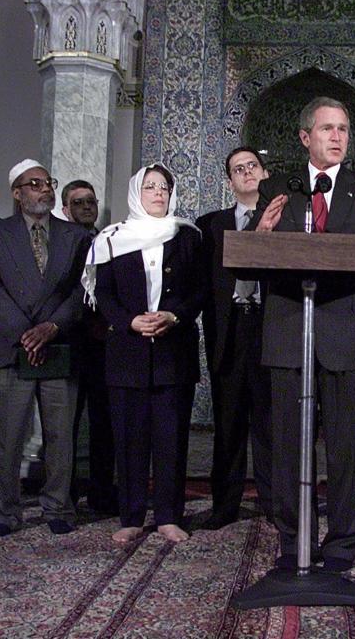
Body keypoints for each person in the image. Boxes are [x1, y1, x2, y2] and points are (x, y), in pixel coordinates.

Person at [250, 96, 355, 572]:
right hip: (287, 330)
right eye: (327, 129)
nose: (338, 137)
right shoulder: (280, 186)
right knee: (287, 445)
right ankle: (293, 542)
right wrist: (260, 233)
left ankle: (342, 544)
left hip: (345, 331)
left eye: (343, 129)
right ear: (305, 137)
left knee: (344, 445)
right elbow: (255, 257)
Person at [85, 165, 206, 544]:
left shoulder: (188, 237)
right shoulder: (111, 239)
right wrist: (129, 322)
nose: (158, 193)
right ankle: (132, 515)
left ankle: (170, 516)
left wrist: (175, 315)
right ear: (136, 192)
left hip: (174, 351)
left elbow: (201, 290)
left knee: (171, 438)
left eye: (164, 187)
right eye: (150, 187)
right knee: (130, 438)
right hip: (127, 352)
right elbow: (102, 294)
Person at [0, 159, 91, 537]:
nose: (43, 189)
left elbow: (79, 291)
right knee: (7, 437)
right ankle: (5, 512)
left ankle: (58, 506)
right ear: (16, 193)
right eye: (34, 183)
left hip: (57, 345)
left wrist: (50, 328)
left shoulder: (75, 236)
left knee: (60, 435)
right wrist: (27, 334)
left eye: (47, 182)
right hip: (11, 348)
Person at [195, 147, 273, 528]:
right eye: (238, 169)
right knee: (228, 425)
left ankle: (275, 506)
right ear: (229, 181)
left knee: (270, 423)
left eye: (251, 166)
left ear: (264, 172)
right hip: (228, 331)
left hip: (270, 328)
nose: (246, 173)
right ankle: (224, 507)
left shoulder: (283, 218)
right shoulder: (210, 224)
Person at [60, 179, 118, 514]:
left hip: (101, 346)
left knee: (103, 424)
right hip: (67, 343)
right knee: (64, 424)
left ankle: (101, 492)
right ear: (65, 208)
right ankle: (63, 492)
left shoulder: (109, 241)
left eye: (90, 202)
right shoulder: (57, 243)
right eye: (77, 202)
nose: (85, 207)